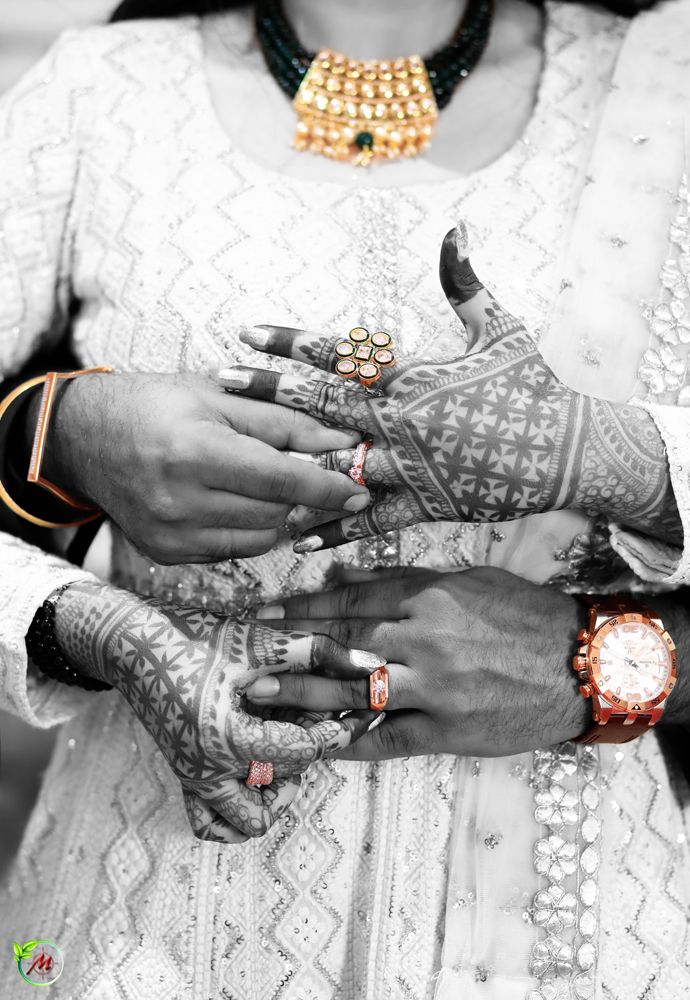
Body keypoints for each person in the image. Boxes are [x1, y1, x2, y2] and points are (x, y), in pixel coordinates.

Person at [1, 0, 689, 997]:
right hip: (152, 919)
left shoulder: (663, 91)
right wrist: (74, 570)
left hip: (575, 924)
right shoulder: (101, 93)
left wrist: (607, 629)